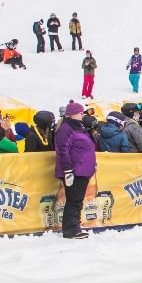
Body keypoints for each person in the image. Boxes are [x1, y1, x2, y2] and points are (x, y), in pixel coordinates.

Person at [55, 102, 97, 239]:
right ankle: (70, 229)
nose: (82, 115)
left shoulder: (79, 127)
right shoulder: (66, 128)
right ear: (72, 114)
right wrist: (68, 170)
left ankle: (75, 226)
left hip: (83, 169)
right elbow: (63, 150)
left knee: (77, 200)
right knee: (74, 200)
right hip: (75, 170)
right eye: (80, 113)